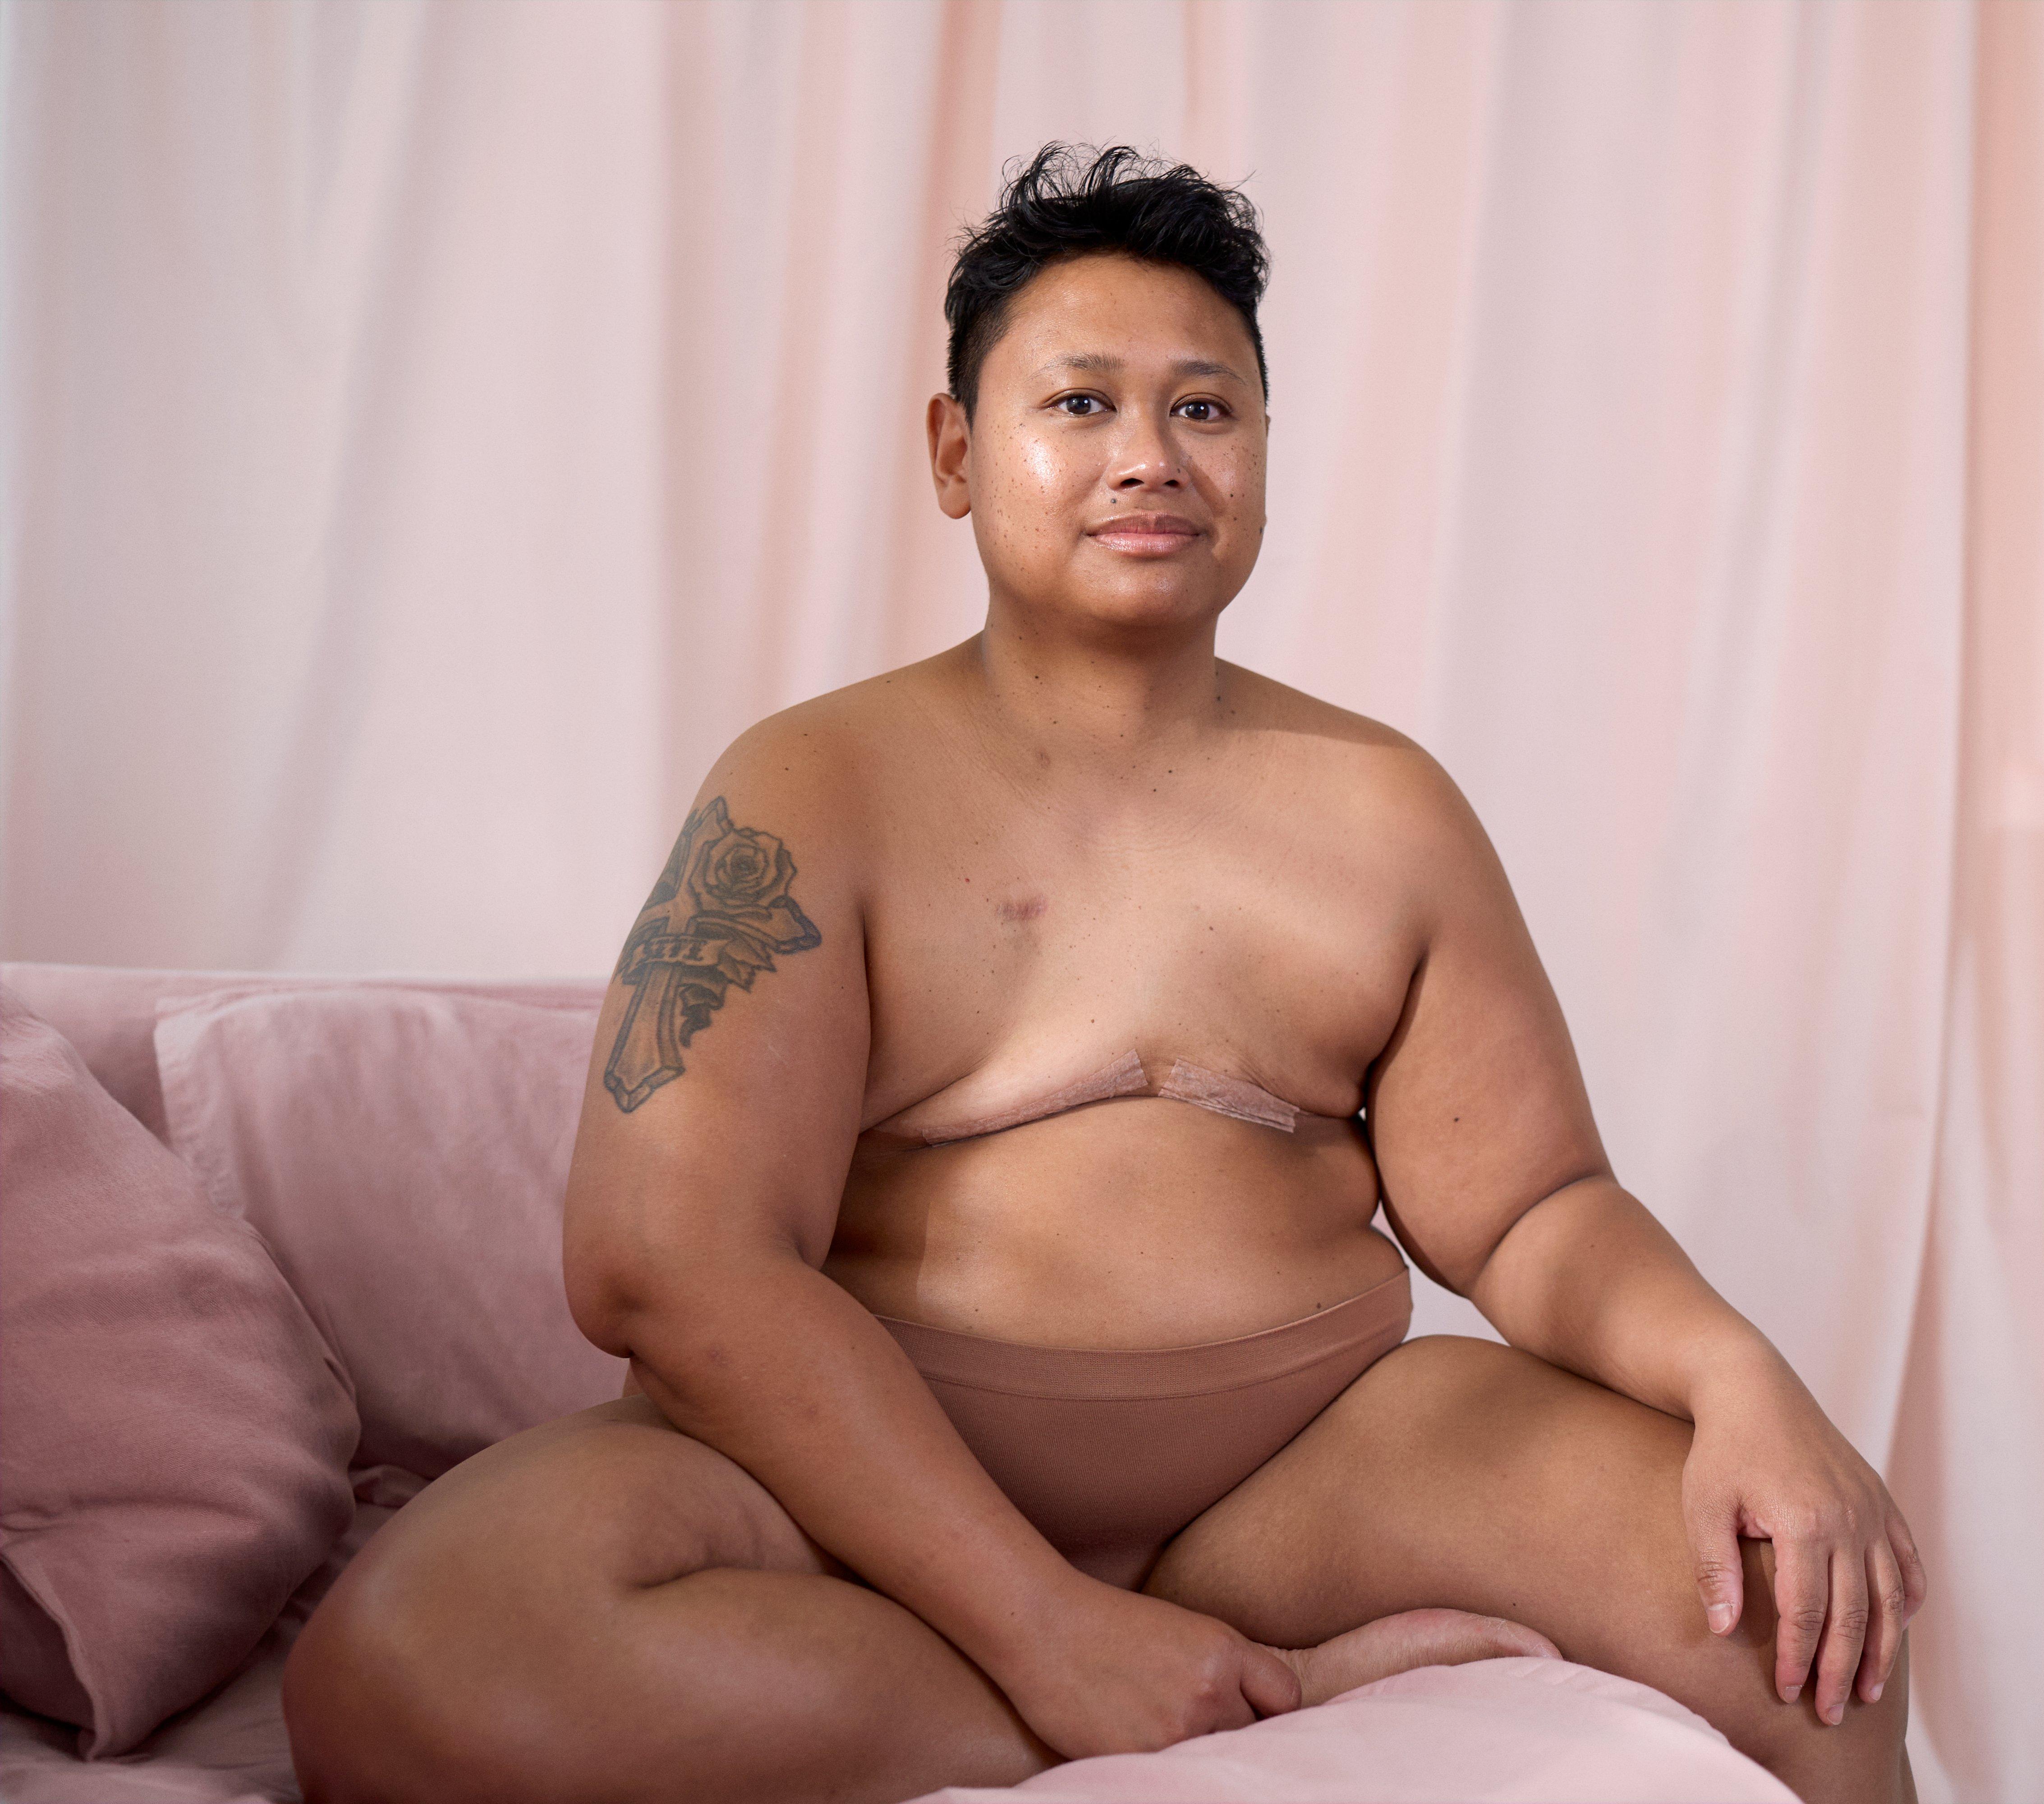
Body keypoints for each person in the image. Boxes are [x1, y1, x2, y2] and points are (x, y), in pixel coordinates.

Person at [284, 144, 1924, 1804]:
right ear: (955, 452)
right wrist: (1045, 1630)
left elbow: (1528, 1207)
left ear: (1266, 453)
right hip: (862, 1508)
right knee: (416, 1665)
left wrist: (1740, 1378)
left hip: (1300, 1480)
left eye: (1204, 410)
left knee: (1804, 1615)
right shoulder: (808, 788)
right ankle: (1207, 1700)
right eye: (1078, 405)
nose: (1149, 457)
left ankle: (1208, 1656)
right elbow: (663, 1261)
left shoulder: (1386, 809)